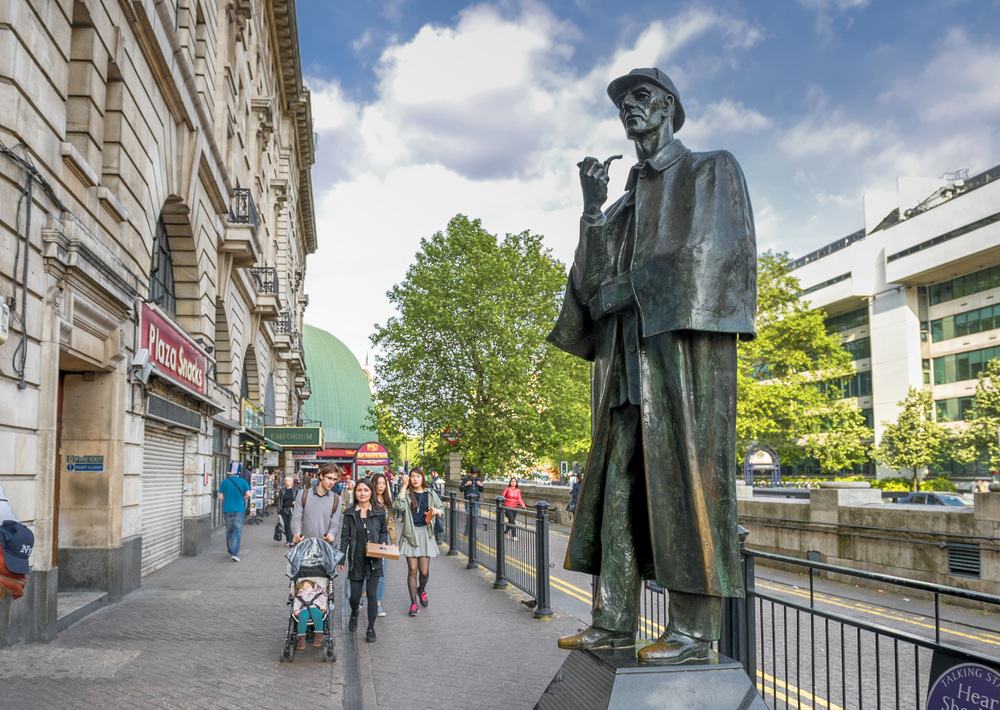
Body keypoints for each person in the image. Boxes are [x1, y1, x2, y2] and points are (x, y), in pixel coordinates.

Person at [548, 68, 756, 663]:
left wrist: (628, 289)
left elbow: (714, 258)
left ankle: (694, 632)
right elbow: (587, 289)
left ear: (669, 107)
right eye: (622, 102)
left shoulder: (709, 171)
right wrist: (591, 211)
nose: (629, 108)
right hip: (621, 366)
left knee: (685, 482)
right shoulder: (619, 205)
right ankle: (613, 622)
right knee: (617, 487)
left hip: (674, 365)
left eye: (641, 97)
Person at [338, 478, 388, 642]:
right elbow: (344, 537)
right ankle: (354, 613)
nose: (363, 493)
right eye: (359, 490)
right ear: (355, 492)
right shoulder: (350, 513)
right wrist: (342, 558)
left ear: (371, 492)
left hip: (374, 560)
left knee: (372, 595)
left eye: (366, 490)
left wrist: (382, 543)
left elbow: (383, 532)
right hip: (356, 559)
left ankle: (371, 628)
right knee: (354, 597)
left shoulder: (379, 511)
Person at [392, 468, 444, 617]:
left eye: (417, 476)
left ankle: (421, 590)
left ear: (422, 478)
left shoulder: (430, 494)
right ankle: (413, 604)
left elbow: (442, 509)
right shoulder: (407, 495)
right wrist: (403, 486)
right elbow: (397, 506)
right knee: (412, 570)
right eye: (412, 477)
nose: (415, 479)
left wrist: (436, 511)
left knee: (424, 571)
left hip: (425, 534)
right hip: (410, 534)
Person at [291, 463, 342, 544]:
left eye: (334, 479)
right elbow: (296, 518)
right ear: (321, 476)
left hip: (324, 547)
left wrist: (331, 534)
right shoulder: (303, 494)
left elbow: (335, 524)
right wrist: (296, 533)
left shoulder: (337, 499)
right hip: (303, 546)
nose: (332, 482)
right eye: (329, 478)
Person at [370, 472, 397, 617]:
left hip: (383, 540)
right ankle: (362, 595)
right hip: (368, 539)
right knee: (365, 570)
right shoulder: (367, 498)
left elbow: (391, 524)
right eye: (378, 483)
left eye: (383, 484)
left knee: (380, 573)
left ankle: (378, 604)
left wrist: (393, 542)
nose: (380, 486)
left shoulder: (387, 502)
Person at [218, 469, 251, 561]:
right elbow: (248, 494)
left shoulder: (225, 482)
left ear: (229, 474)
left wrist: (227, 499)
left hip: (227, 509)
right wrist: (242, 499)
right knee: (237, 531)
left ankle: (230, 549)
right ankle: (234, 553)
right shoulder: (243, 482)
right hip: (239, 510)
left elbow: (220, 497)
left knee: (229, 531)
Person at [292, 578, 328, 650]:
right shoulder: (300, 595)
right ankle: (301, 640)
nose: (306, 587)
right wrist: (296, 609)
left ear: (313, 585)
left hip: (315, 607)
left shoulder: (318, 593)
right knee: (303, 616)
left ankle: (318, 637)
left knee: (316, 614)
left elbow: (324, 599)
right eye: (303, 586)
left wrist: (323, 606)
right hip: (303, 609)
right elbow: (297, 602)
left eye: (308, 585)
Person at [277, 476, 299, 546]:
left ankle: (292, 540)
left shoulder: (296, 490)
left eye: (288, 481)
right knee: (286, 526)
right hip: (284, 510)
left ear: (292, 482)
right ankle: (288, 541)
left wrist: (296, 502)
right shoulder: (282, 490)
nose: (287, 482)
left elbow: (299, 499)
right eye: (286, 481)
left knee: (291, 526)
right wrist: (278, 511)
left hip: (292, 510)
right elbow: (279, 501)